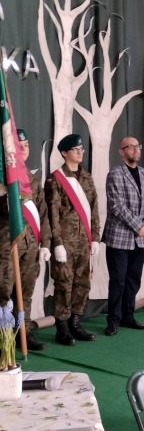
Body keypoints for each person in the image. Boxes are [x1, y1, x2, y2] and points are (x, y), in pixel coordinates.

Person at [44, 133, 101, 346]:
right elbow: (52, 214)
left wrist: (95, 237)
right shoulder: (55, 179)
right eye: (75, 150)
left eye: (81, 149)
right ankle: (62, 328)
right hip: (65, 242)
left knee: (82, 282)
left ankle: (76, 324)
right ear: (64, 153)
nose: (80, 152)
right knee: (63, 284)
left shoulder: (86, 177)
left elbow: (94, 209)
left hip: (84, 241)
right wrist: (57, 242)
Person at [102, 137, 144, 335]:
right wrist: (138, 226)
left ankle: (128, 316)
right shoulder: (115, 174)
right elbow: (116, 206)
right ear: (121, 151)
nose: (135, 150)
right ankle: (113, 320)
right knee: (118, 280)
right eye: (130, 147)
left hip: (140, 238)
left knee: (133, 279)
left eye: (137, 146)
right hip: (119, 238)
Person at [13, 129, 52, 351]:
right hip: (7, 248)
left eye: (26, 144)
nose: (24, 148)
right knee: (4, 294)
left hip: (30, 248)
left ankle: (23, 333)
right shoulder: (5, 180)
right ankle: (4, 336)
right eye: (19, 145)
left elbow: (43, 214)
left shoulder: (33, 180)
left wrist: (45, 244)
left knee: (26, 293)